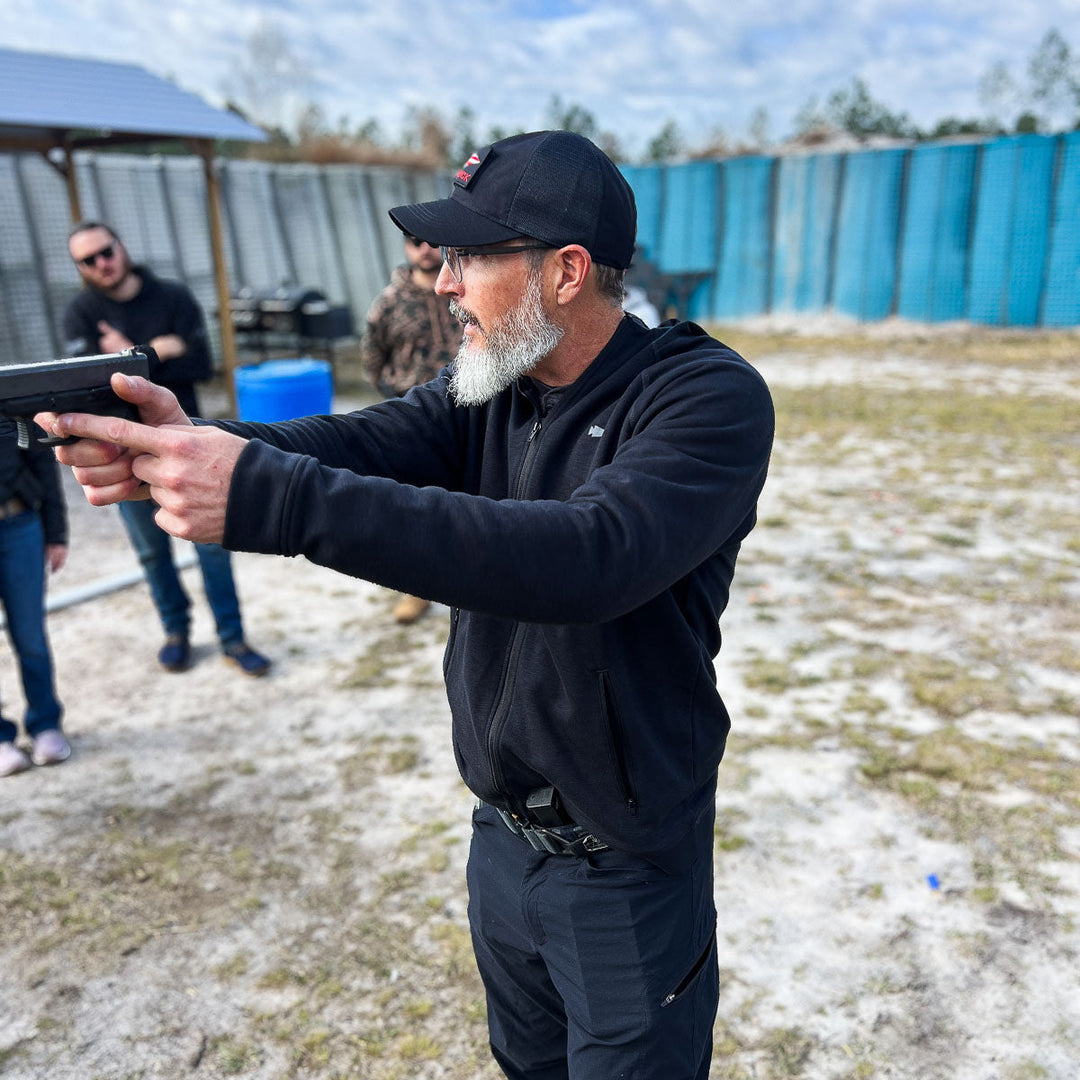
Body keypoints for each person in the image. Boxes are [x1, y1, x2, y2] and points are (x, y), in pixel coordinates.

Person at [43, 131, 774, 1079]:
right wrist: (182, 442)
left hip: (626, 865)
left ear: (566, 271)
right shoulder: (493, 388)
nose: (443, 282)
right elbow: (347, 443)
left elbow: (589, 558)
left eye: (468, 256)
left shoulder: (704, 396)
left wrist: (268, 495)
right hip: (503, 842)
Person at [60, 222, 270, 677]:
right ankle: (176, 633)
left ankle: (233, 638)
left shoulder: (173, 297)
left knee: (212, 546)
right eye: (88, 260)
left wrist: (126, 359)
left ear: (122, 245)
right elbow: (88, 388)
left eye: (106, 251)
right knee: (152, 552)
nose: (102, 263)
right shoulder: (80, 313)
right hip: (121, 451)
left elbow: (200, 365)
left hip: (185, 439)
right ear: (79, 267)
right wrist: (156, 351)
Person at [360, 233, 463, 624]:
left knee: (475, 498)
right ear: (406, 247)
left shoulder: (464, 292)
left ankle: (472, 584)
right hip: (416, 418)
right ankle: (416, 590)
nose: (425, 248)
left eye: (433, 241)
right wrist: (395, 395)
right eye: (415, 242)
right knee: (416, 505)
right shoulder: (389, 302)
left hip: (471, 409)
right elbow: (372, 355)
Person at [0, 417, 70, 777]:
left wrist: (56, 533)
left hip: (18, 526)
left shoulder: (8, 394)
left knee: (30, 637)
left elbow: (41, 459)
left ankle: (45, 724)